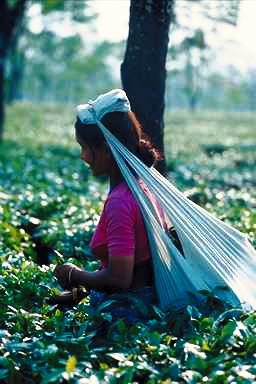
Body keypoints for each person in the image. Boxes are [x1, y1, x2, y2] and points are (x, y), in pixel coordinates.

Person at [50, 89, 163, 324]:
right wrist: (81, 292)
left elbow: (121, 279)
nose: (83, 156)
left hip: (126, 312)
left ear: (105, 149)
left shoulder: (120, 203)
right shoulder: (144, 188)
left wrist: (73, 274)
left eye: (84, 147)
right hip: (147, 302)